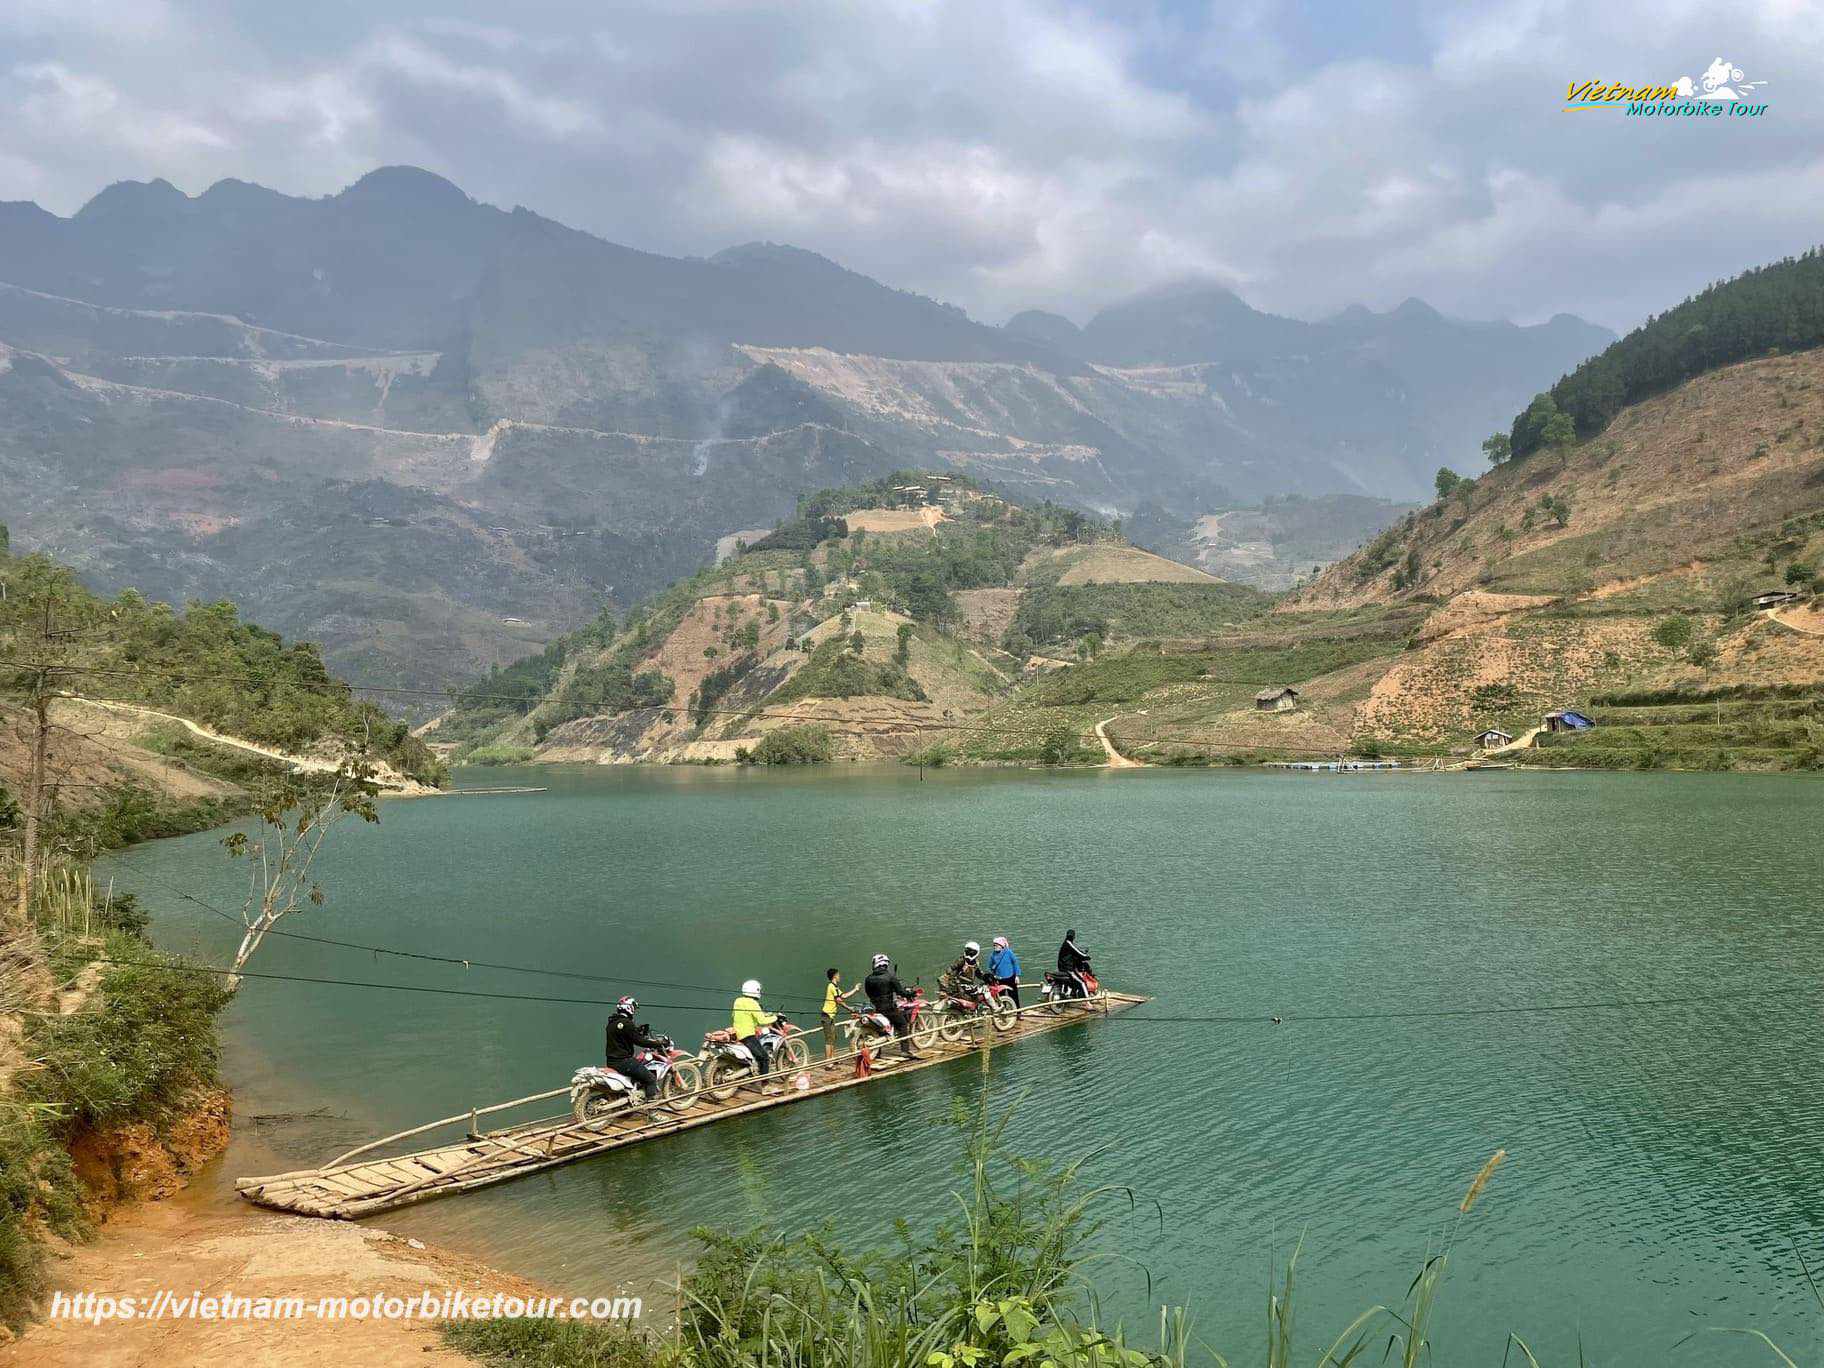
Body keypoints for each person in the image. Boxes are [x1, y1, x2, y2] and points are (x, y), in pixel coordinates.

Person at [602, 996, 666, 1100]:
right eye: (633, 1008)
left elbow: (623, 1035)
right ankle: (652, 1111)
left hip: (612, 1061)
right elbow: (640, 1041)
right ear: (629, 1008)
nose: (634, 1011)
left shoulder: (612, 1023)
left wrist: (636, 1030)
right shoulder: (627, 1023)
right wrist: (658, 1043)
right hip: (625, 1062)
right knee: (650, 1079)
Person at [732, 978, 784, 1095]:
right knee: (764, 1057)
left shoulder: (738, 1000)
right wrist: (775, 1017)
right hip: (747, 1035)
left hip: (737, 1033)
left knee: (757, 1053)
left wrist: (765, 1015)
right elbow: (761, 1020)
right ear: (756, 991)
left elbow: (748, 1014)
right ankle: (766, 1087)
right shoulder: (753, 1003)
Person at [862, 952, 919, 1058]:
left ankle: (878, 1053)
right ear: (885, 964)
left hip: (875, 1007)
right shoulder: (890, 976)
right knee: (902, 1024)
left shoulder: (868, 978)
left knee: (878, 1028)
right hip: (888, 1007)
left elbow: (868, 993)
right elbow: (901, 992)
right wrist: (912, 993)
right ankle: (905, 1051)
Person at [820, 966, 859, 1067]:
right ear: (834, 976)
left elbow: (844, 996)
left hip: (830, 1016)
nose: (839, 976)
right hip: (827, 1016)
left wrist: (855, 989)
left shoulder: (835, 987)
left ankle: (832, 1058)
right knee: (829, 1040)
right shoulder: (831, 986)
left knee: (833, 1038)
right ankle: (828, 1064)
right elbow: (839, 1001)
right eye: (838, 975)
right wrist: (849, 1009)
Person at [987, 935, 1021, 1008]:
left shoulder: (1008, 952)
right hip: (999, 979)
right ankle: (1004, 1012)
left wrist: (1017, 976)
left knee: (1014, 995)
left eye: (996, 945)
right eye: (994, 945)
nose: (995, 947)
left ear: (1001, 945)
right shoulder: (993, 954)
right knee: (1001, 997)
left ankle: (1018, 1012)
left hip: (1010, 978)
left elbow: (1015, 963)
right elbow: (990, 966)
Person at [1057, 929, 1091, 999]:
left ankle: (1071, 993)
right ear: (1074, 937)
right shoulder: (1069, 943)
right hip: (1067, 969)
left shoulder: (1065, 944)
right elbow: (1078, 953)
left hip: (1061, 968)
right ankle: (1088, 1003)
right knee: (1082, 983)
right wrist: (1086, 957)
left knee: (1073, 981)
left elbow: (1075, 951)